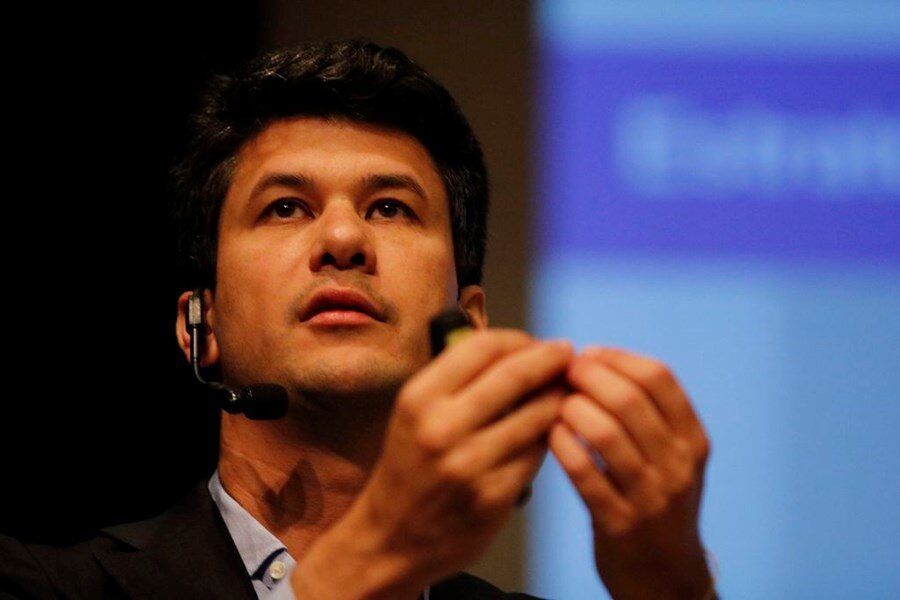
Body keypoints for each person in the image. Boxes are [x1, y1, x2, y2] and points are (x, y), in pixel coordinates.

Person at [0, 40, 715, 599]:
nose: (343, 239)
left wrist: (674, 588)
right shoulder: (43, 586)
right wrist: (377, 558)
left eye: (390, 208)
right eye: (285, 207)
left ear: (466, 326)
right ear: (200, 324)